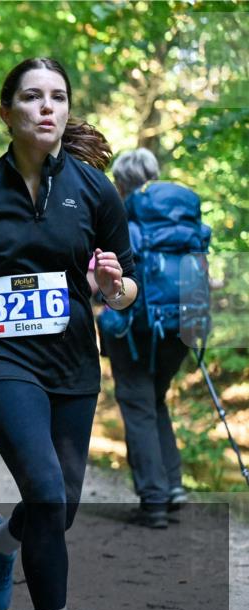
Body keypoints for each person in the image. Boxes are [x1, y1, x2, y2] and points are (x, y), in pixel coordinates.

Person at [0, 58, 137, 610]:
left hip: (72, 359)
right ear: (8, 112)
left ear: (67, 110)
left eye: (58, 97)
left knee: (64, 504)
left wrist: (111, 282)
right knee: (46, 492)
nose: (46, 107)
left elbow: (124, 291)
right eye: (31, 97)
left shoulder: (95, 190)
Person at [92, 148, 212, 528]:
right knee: (154, 399)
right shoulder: (180, 215)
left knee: (137, 402)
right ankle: (173, 486)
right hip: (183, 322)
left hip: (135, 326)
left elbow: (100, 280)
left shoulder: (121, 214)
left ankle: (154, 500)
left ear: (121, 181)